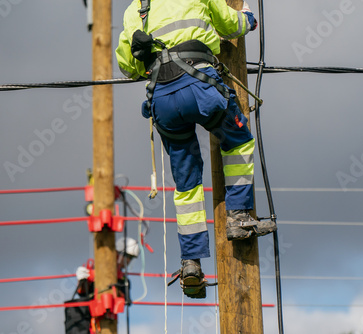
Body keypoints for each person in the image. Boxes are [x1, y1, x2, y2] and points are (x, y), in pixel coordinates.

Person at [116, 0, 277, 298]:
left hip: (162, 100)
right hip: (200, 87)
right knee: (238, 140)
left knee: (186, 181)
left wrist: (141, 52)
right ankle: (239, 217)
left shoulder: (136, 9)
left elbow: (129, 66)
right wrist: (249, 18)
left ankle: (191, 261)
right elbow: (232, 25)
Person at [75, 237, 140, 303]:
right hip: (91, 309)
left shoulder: (124, 281)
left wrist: (116, 290)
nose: (128, 260)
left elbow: (126, 300)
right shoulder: (94, 271)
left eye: (131, 258)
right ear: (117, 253)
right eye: (126, 256)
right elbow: (83, 294)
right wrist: (82, 280)